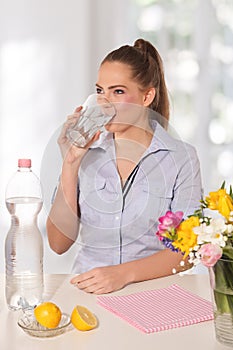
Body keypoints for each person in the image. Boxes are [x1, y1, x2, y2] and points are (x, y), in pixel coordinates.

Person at [46, 38, 202, 294]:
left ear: (147, 96)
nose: (104, 103)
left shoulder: (181, 158)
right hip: (87, 292)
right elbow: (58, 243)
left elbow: (188, 250)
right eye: (100, 91)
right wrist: (71, 161)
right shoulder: (86, 152)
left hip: (153, 294)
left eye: (117, 92)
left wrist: (121, 274)